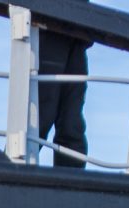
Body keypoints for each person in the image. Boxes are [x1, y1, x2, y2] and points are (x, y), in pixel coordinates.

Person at [35, 27, 89, 168]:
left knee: (71, 124)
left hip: (78, 34)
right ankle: (13, 179)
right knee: (37, 119)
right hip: (47, 28)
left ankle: (71, 185)